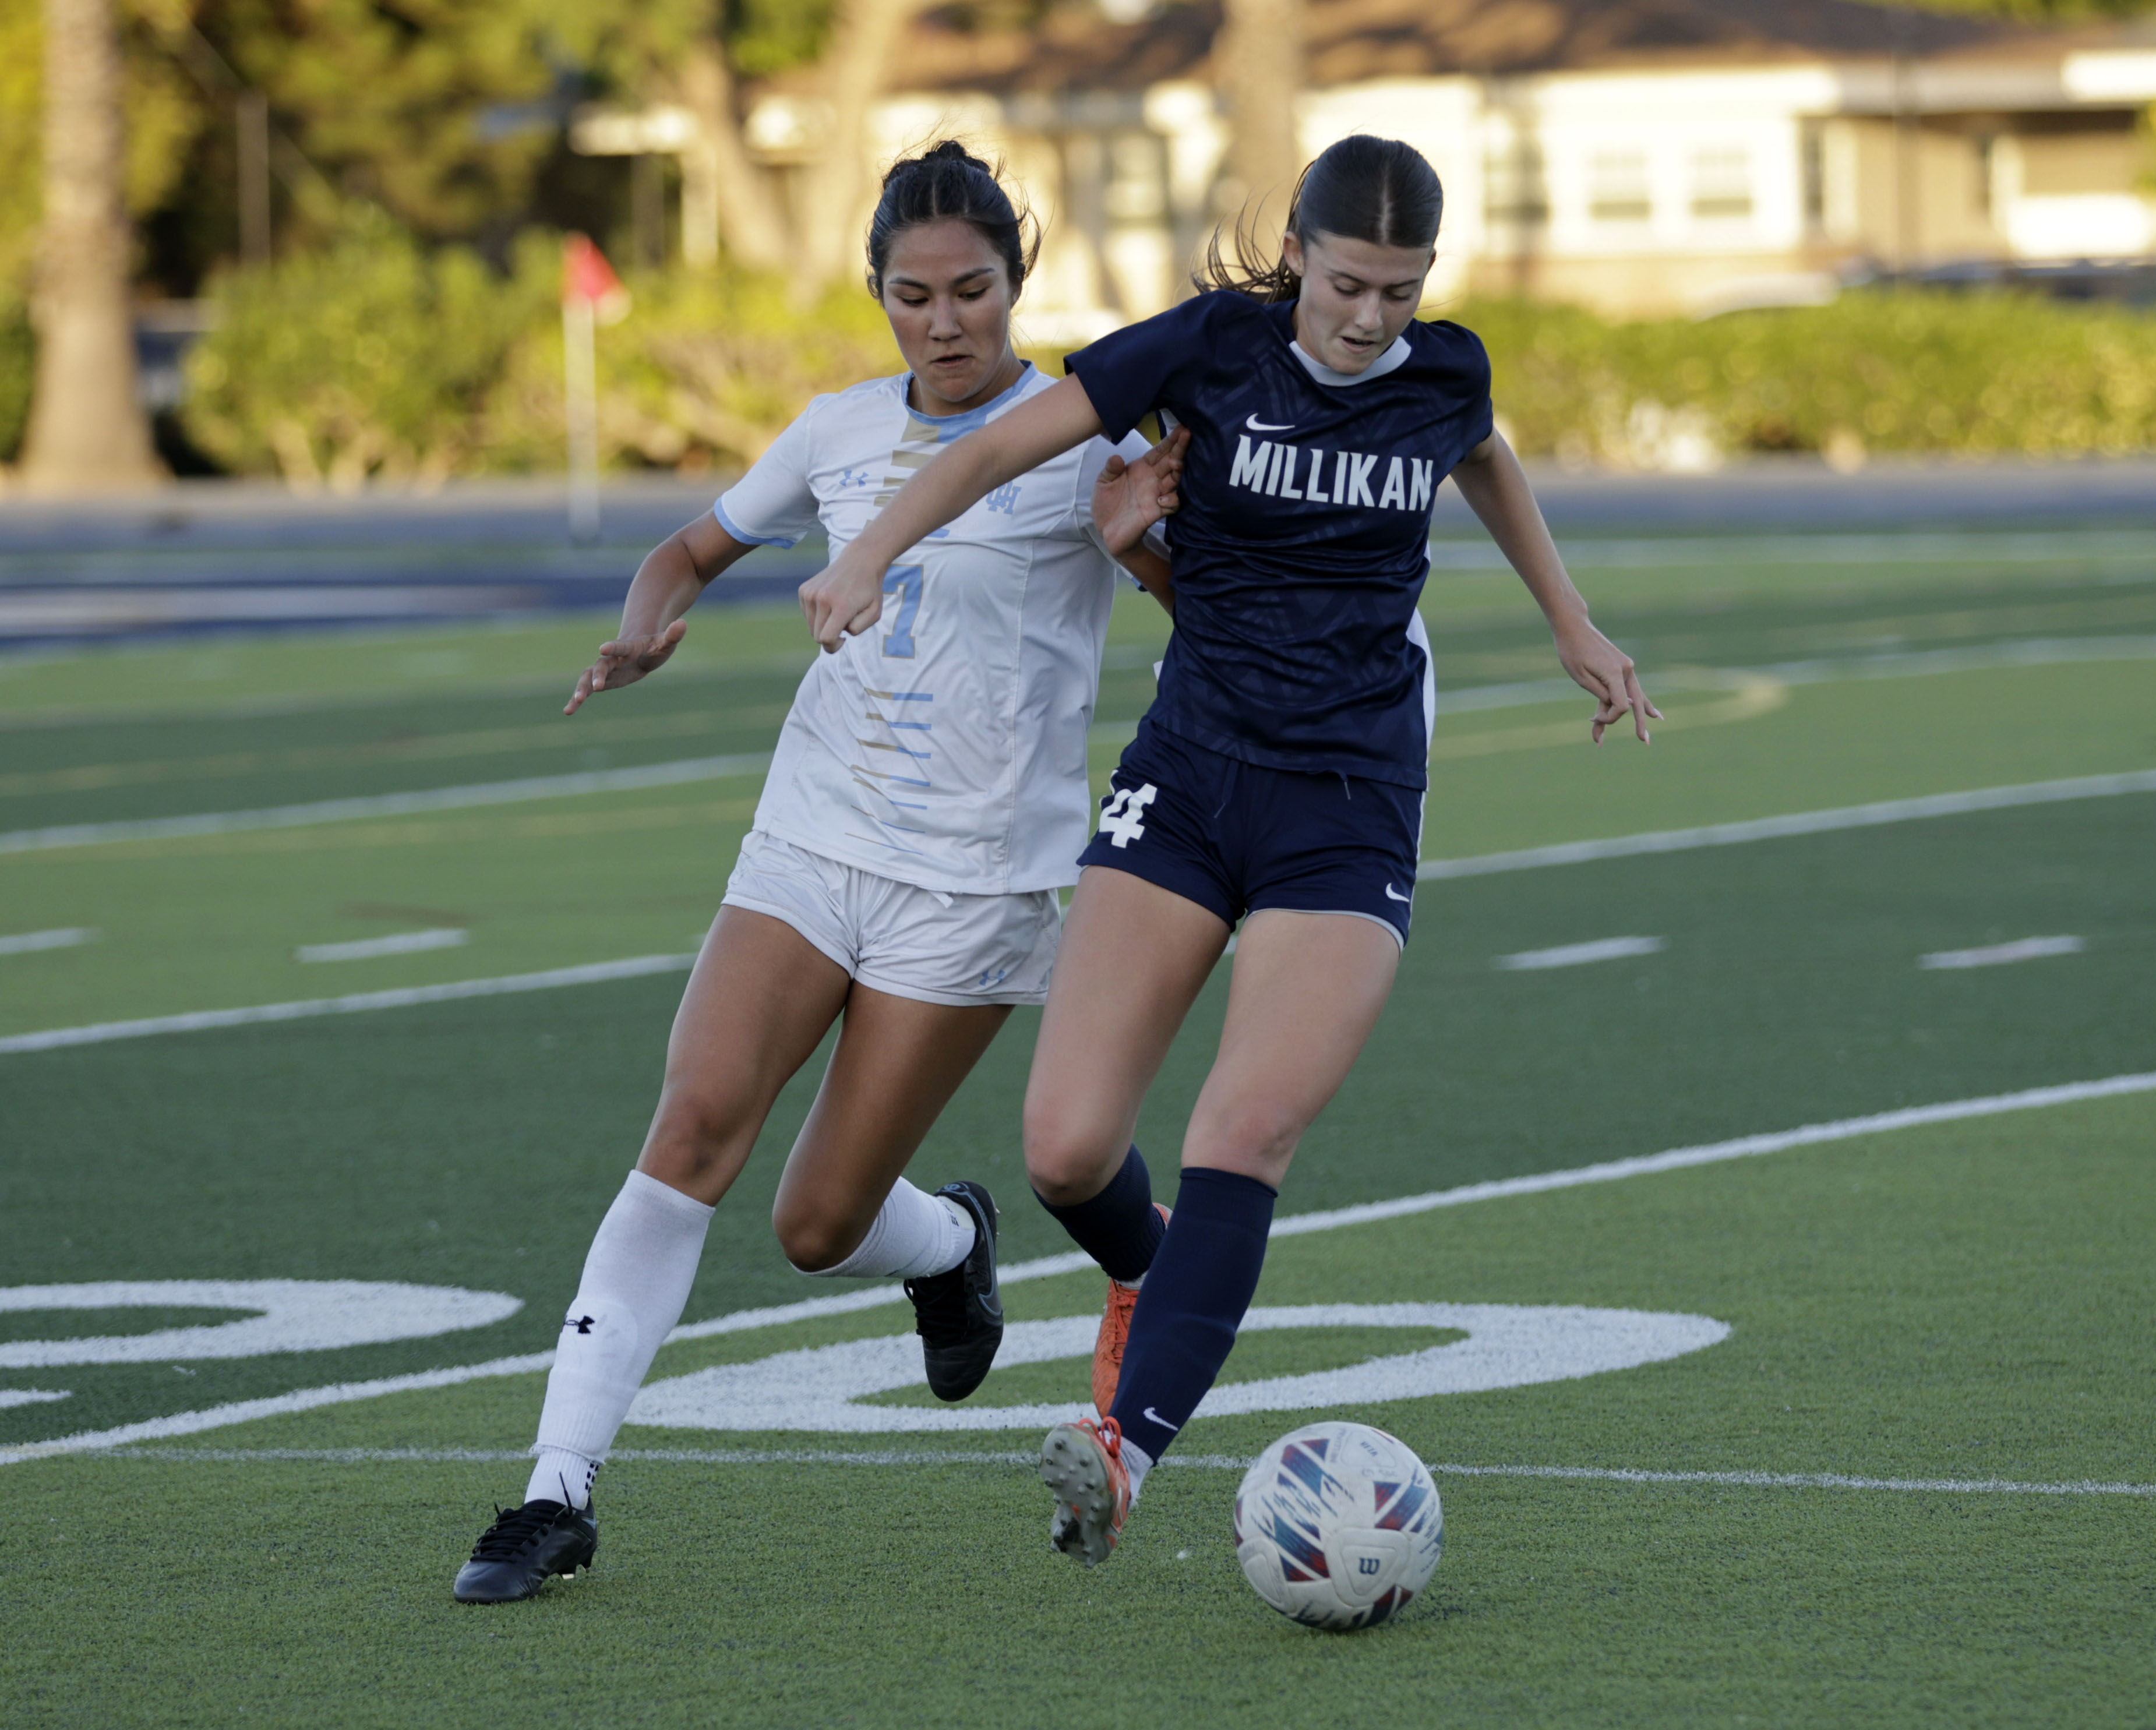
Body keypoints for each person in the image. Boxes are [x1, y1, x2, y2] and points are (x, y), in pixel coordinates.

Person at [792, 133, 1660, 1569]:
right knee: (1067, 1148)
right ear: (1300, 258)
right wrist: (872, 550)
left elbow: (1486, 453)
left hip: (1349, 804)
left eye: (1400, 289)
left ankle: (1125, 1452)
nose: (1370, 318)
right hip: (1190, 779)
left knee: (1240, 1133)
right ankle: (1146, 1277)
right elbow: (1009, 438)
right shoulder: (1212, 347)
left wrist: (1572, 619)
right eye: (1347, 284)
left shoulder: (1445, 371)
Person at [452, 140, 1186, 1604]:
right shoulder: (839, 429)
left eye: (973, 290)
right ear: (880, 298)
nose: (945, 322)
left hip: (973, 887)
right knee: (693, 1131)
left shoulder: (1085, 437)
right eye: (914, 296)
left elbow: (1194, 605)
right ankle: (553, 1494)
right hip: (809, 837)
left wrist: (1151, 550)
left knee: (812, 1225)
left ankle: (950, 1240)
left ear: (1015, 285)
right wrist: (647, 619)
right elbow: (688, 547)